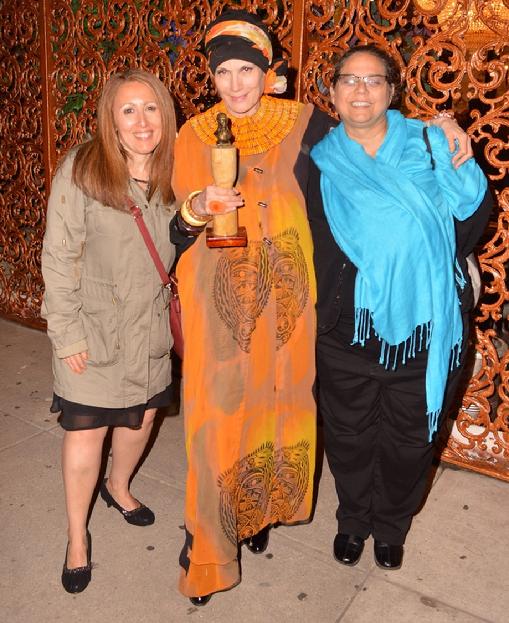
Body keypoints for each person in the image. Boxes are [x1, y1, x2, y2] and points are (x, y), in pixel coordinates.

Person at [170, 10, 472, 605]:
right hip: (224, 313)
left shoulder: (305, 126)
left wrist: (445, 130)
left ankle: (255, 516)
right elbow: (173, 232)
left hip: (289, 316)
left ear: (269, 72)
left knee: (276, 418)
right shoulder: (193, 135)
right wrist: (196, 209)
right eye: (223, 72)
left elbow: (366, 156)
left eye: (247, 69)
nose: (236, 84)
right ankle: (207, 543)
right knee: (213, 427)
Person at [308, 44, 492, 571]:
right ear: (334, 92)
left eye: (373, 80)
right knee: (347, 434)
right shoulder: (317, 160)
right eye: (349, 80)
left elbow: (472, 223)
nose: (360, 90)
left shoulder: (431, 144)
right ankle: (352, 519)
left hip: (425, 324)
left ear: (392, 91)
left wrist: (460, 157)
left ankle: (390, 525)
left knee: (409, 441)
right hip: (346, 329)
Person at [41, 69, 178, 593]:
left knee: (141, 418)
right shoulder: (83, 168)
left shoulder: (174, 168)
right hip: (93, 330)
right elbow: (58, 256)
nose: (142, 121)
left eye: (151, 109)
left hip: (150, 328)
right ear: (111, 119)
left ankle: (118, 488)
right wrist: (67, 334)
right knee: (86, 432)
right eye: (128, 110)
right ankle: (77, 538)